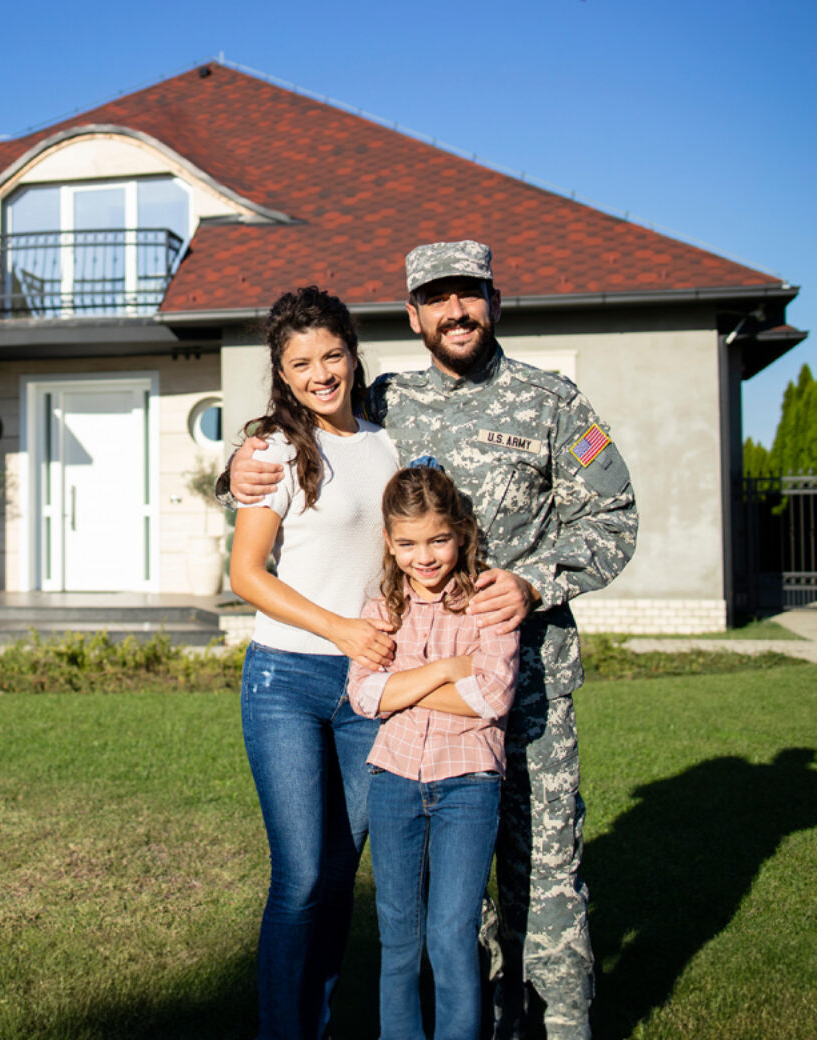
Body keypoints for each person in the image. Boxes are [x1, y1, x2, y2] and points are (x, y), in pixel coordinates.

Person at [227, 242, 637, 1039]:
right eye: (435, 298)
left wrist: (535, 582)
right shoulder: (391, 402)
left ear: (492, 299)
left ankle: (553, 1029)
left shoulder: (553, 401)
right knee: (443, 891)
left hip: (529, 690)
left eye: (469, 294)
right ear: (411, 315)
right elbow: (301, 436)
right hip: (414, 690)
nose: (456, 311)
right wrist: (235, 465)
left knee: (544, 872)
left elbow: (615, 516)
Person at [225, 286, 400, 1040]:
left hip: (366, 686)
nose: (321, 372)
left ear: (354, 354)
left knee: (337, 878)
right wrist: (341, 629)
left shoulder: (389, 445)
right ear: (283, 373)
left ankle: (314, 1024)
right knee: (298, 879)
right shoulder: (274, 451)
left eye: (332, 354)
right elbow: (247, 575)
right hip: (286, 682)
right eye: (302, 362)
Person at [348, 464, 519, 1040]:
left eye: (439, 540)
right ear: (390, 544)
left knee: (450, 934)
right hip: (393, 781)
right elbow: (366, 695)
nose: (425, 556)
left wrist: (407, 686)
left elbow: (492, 695)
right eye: (409, 543)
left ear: (462, 534)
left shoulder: (487, 603)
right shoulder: (381, 610)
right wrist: (446, 669)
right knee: (399, 938)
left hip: (468, 784)